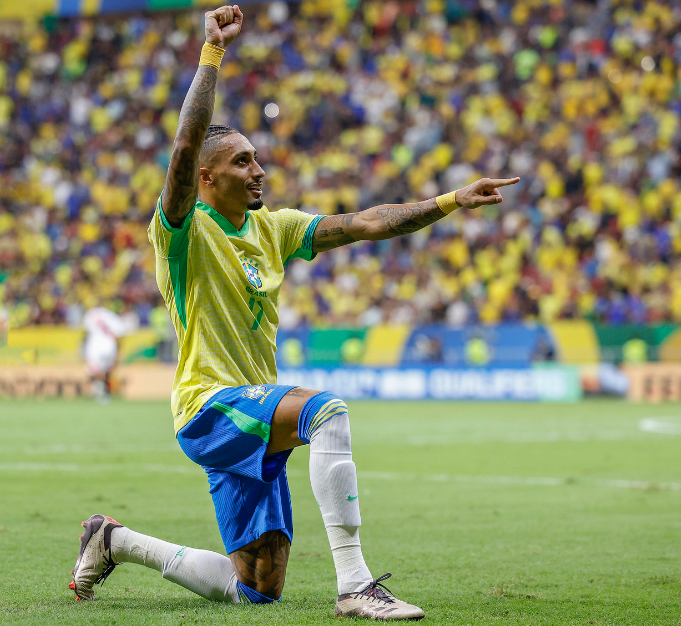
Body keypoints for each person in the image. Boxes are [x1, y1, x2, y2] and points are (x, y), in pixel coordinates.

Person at [69, 5, 519, 620]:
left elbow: (364, 223)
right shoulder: (182, 231)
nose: (259, 170)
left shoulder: (274, 228)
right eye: (242, 162)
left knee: (257, 587)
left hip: (250, 411)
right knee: (326, 411)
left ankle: (113, 541)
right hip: (209, 405)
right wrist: (211, 53)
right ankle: (355, 585)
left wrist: (449, 201)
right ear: (205, 177)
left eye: (257, 158)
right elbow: (183, 147)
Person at [82, 304, 139, 403]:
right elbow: (119, 334)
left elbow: (85, 332)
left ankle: (100, 391)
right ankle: (103, 391)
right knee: (106, 371)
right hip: (110, 346)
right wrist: (118, 351)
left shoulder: (91, 313)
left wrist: (83, 347)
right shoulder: (113, 316)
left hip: (95, 345)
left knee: (95, 371)